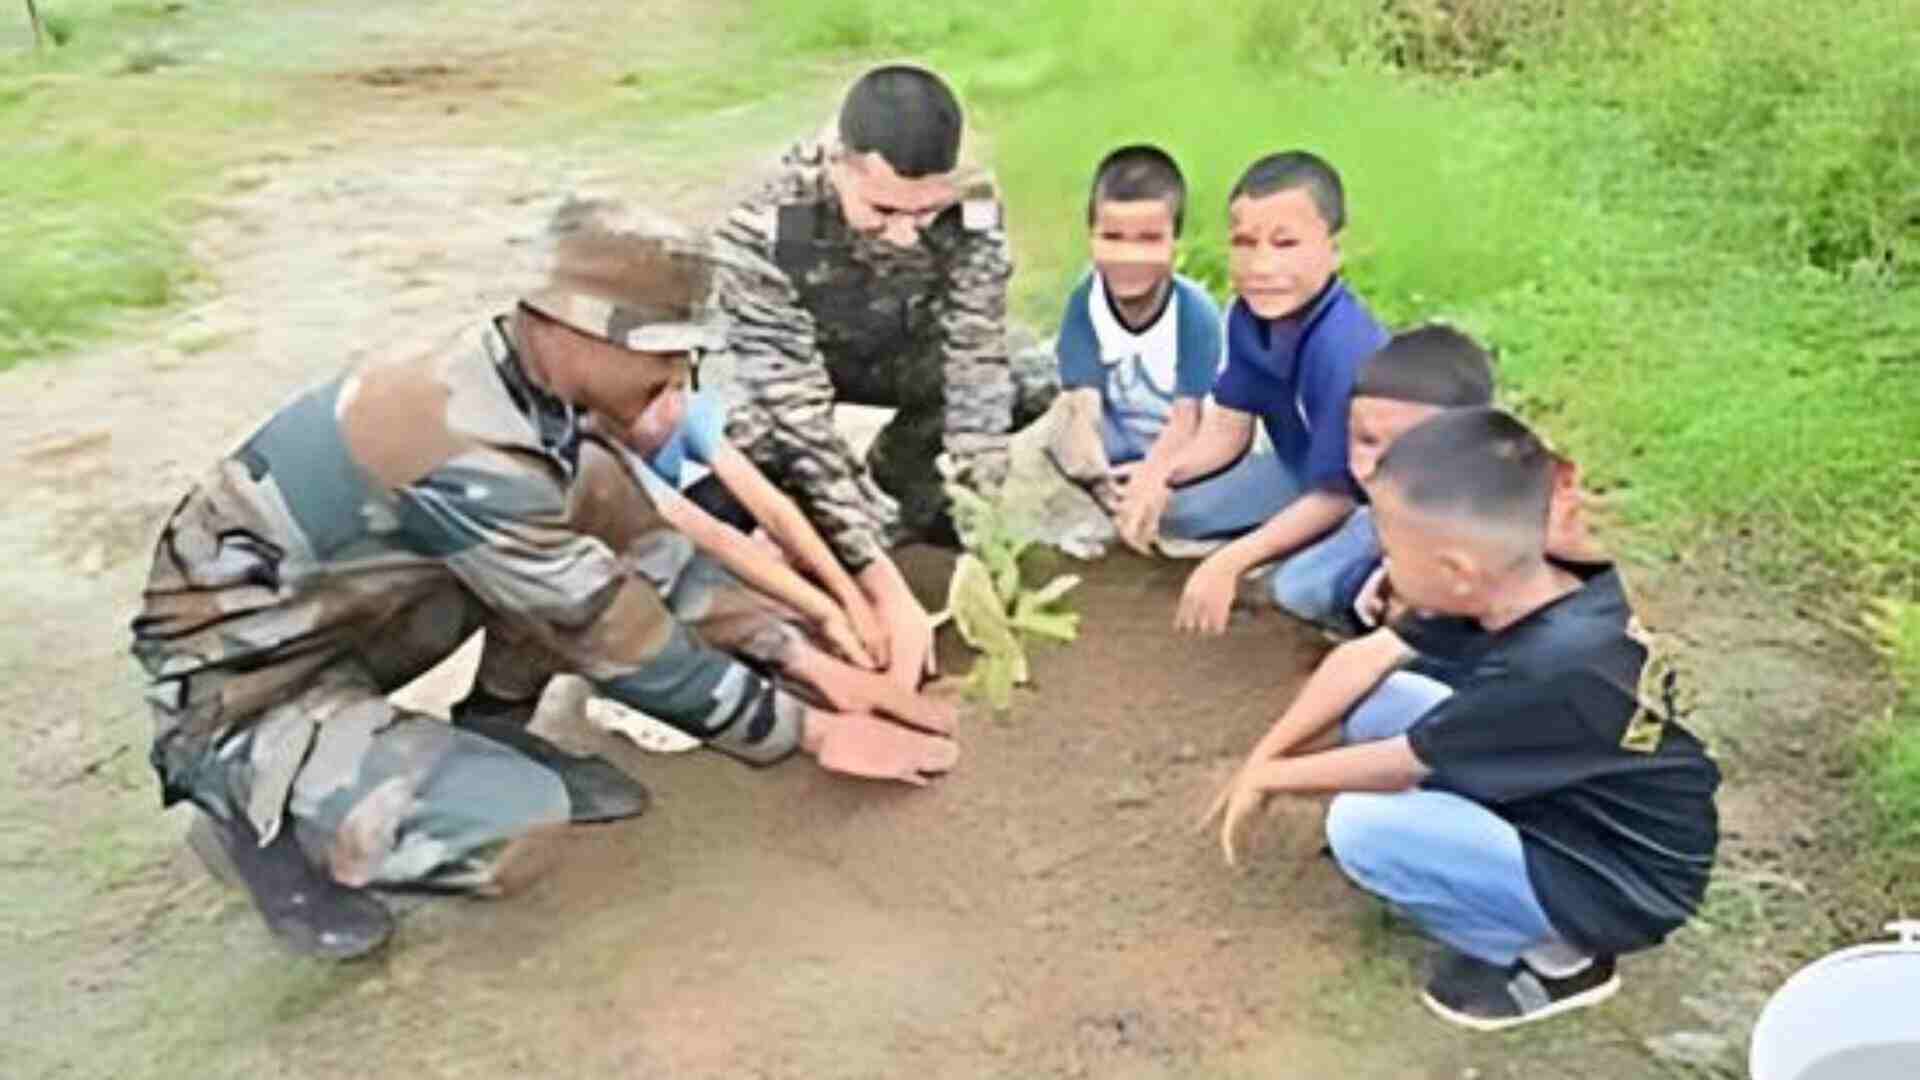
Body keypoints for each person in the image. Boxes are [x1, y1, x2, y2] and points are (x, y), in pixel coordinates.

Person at [130, 200, 956, 960]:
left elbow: (650, 555)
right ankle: (254, 812)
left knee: (590, 511)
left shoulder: (534, 401)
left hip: (336, 625)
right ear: (576, 330)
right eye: (665, 357)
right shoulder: (466, 445)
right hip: (240, 687)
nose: (678, 385)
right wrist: (807, 732)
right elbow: (613, 631)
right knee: (513, 826)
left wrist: (813, 666)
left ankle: (487, 730)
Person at [1204, 408, 1721, 1030]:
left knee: (1363, 825)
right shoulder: (1525, 572)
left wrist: (1271, 781)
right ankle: (1474, 856)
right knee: (1381, 700)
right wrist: (1266, 758)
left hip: (1626, 878)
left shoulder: (1552, 668)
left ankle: (1563, 960)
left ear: (1457, 570)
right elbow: (1364, 657)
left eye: (1390, 550)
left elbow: (1398, 765)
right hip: (1574, 787)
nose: (1384, 571)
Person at [708, 63, 1055, 688]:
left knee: (1027, 375)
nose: (903, 236)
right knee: (744, 432)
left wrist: (985, 502)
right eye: (884, 210)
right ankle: (761, 559)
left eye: (924, 215)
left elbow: (975, 352)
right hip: (794, 360)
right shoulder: (771, 215)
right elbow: (797, 410)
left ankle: (903, 486)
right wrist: (872, 570)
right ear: (842, 164)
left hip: (896, 349)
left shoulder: (971, 201)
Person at [1113, 151, 1390, 635]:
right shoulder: (1248, 316)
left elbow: (1339, 496)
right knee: (1172, 514)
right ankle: (1291, 541)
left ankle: (1358, 580)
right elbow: (1228, 431)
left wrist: (1232, 560)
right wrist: (1160, 473)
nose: (1262, 265)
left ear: (1335, 249)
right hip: (1298, 471)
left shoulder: (1344, 349)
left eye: (1285, 244)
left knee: (1298, 592)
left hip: (1369, 500)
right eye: (1245, 243)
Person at [1042, 144, 1295, 551]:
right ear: (1091, 237)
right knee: (1060, 434)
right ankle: (1115, 489)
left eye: (1148, 239)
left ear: (1175, 243)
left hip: (1182, 443)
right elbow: (1083, 400)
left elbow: (1187, 420)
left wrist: (1152, 475)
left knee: (1177, 512)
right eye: (1113, 237)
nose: (1130, 257)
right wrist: (1095, 469)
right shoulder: (1084, 301)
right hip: (1121, 432)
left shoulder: (1194, 314)